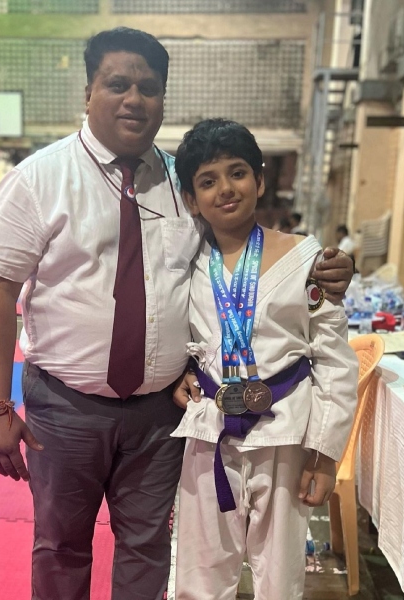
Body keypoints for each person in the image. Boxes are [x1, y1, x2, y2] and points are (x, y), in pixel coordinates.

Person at [0, 27, 355, 600]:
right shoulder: (38, 179)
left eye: (148, 88)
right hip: (66, 406)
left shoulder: (184, 183)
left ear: (162, 100)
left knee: (148, 546)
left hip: (160, 414)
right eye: (117, 84)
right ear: (88, 91)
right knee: (60, 546)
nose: (134, 98)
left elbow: (234, 265)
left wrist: (329, 267)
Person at [171, 118, 359, 600]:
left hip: (286, 435)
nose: (225, 189)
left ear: (259, 180)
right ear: (191, 199)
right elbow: (172, 331)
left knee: (280, 577)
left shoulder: (307, 260)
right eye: (207, 181)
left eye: (237, 173)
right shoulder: (185, 261)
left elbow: (335, 362)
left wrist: (324, 454)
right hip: (210, 431)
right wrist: (180, 371)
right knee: (199, 575)